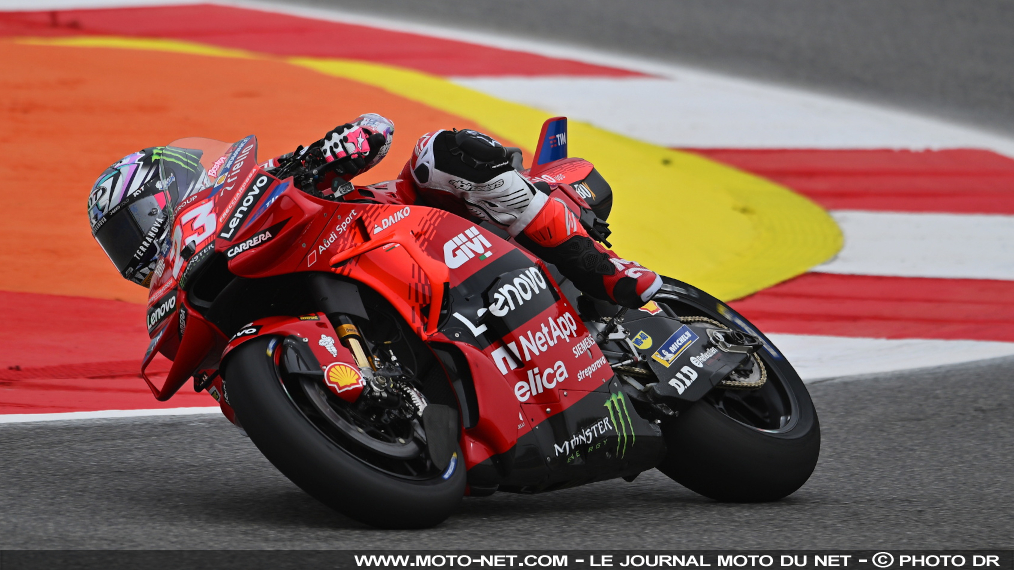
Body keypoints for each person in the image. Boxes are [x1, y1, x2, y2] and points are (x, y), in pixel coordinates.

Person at [88, 114, 661, 308]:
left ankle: (604, 268)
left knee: (440, 151)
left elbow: (375, 130)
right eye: (117, 240)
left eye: (129, 225)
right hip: (404, 300)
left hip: (423, 230)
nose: (131, 245)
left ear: (172, 192)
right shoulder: (197, 298)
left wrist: (330, 153)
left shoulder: (265, 188)